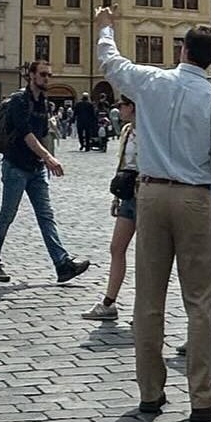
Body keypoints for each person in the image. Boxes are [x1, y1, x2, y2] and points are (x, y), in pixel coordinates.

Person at [96, 6, 211, 422]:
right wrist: (201, 167)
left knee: (148, 297)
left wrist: (106, 27)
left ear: (182, 50)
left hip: (151, 194)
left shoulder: (151, 81)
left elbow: (111, 63)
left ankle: (150, 392)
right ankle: (202, 396)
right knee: (199, 300)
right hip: (194, 198)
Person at [0, 60, 91, 286]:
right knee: (7, 215)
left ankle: (62, 264)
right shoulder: (19, 101)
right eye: (43, 74)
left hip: (35, 169)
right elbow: (27, 134)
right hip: (15, 167)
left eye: (49, 75)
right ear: (31, 75)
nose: (46, 78)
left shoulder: (43, 102)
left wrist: (45, 158)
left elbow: (41, 134)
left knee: (46, 216)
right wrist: (48, 157)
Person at [83, 95, 139, 321]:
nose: (119, 109)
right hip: (128, 195)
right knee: (117, 247)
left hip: (146, 195)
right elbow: (122, 164)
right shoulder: (126, 130)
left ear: (132, 107)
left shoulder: (151, 131)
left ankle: (144, 307)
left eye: (122, 106)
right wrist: (116, 196)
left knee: (146, 255)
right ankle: (109, 302)